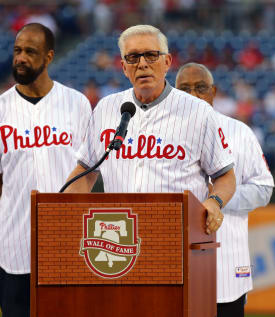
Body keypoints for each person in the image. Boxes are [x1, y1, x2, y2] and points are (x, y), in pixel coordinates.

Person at [65, 24, 236, 236]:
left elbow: (225, 176)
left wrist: (214, 201)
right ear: (124, 67)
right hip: (119, 239)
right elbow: (85, 170)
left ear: (167, 62)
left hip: (180, 235)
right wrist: (61, 209)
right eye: (133, 57)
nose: (142, 64)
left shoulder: (199, 111)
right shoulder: (106, 108)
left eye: (151, 55)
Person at [0, 23, 92, 317]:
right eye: (17, 51)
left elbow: (89, 168)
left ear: (49, 56)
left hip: (69, 243)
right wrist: (21, 197)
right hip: (15, 244)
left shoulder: (77, 104)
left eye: (30, 51)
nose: (21, 58)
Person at [175, 63, 274, 317]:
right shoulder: (161, 133)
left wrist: (217, 198)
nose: (193, 95)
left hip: (226, 261)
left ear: (214, 91)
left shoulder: (239, 132)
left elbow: (263, 188)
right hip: (173, 263)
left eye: (200, 88)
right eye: (184, 89)